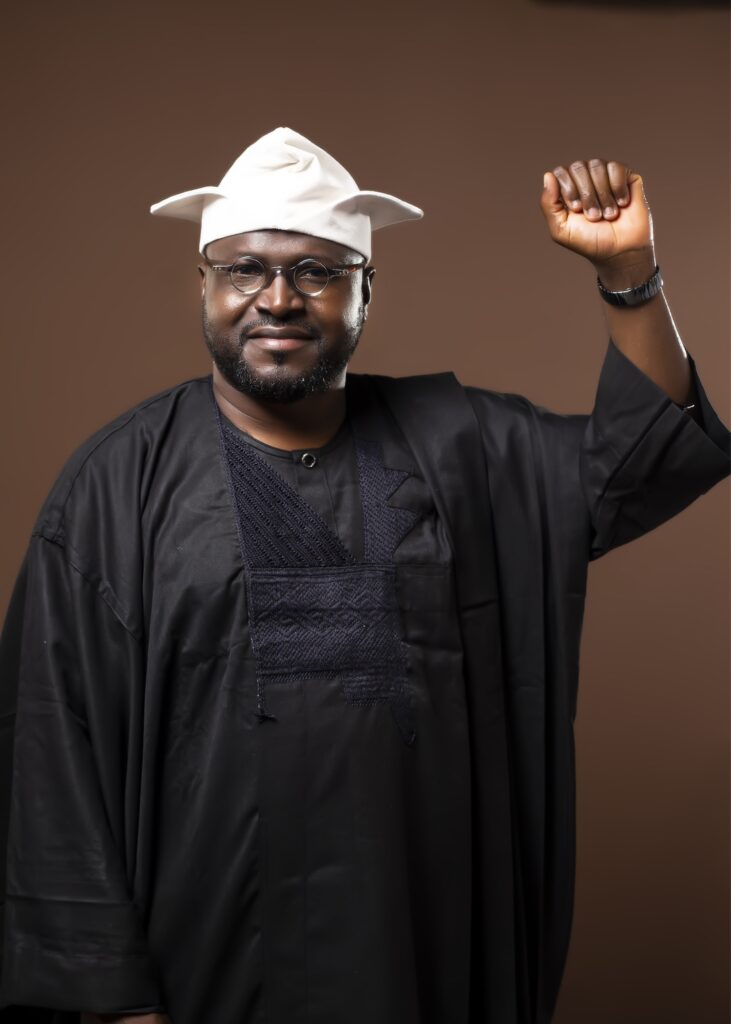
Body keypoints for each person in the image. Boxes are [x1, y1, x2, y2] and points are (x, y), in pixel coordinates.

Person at [0, 127, 728, 1024]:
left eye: (316, 271)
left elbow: (641, 463)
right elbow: (50, 740)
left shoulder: (461, 449)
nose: (277, 299)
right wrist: (111, 998)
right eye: (243, 270)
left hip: (420, 950)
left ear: (365, 289)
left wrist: (628, 275)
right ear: (203, 284)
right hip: (202, 959)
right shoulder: (120, 484)